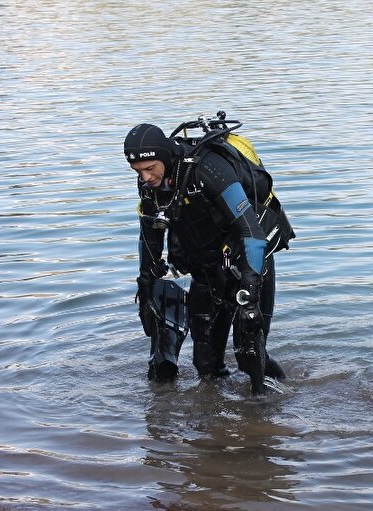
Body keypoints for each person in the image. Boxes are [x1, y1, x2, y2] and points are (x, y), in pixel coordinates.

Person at [124, 119, 290, 394]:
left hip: (246, 263)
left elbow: (251, 231)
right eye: (137, 171)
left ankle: (274, 406)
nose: (145, 177)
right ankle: (215, 416)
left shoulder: (210, 169)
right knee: (205, 363)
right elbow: (150, 238)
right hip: (205, 268)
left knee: (249, 357)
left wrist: (249, 294)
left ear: (164, 157)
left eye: (149, 169)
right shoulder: (150, 187)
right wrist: (145, 287)